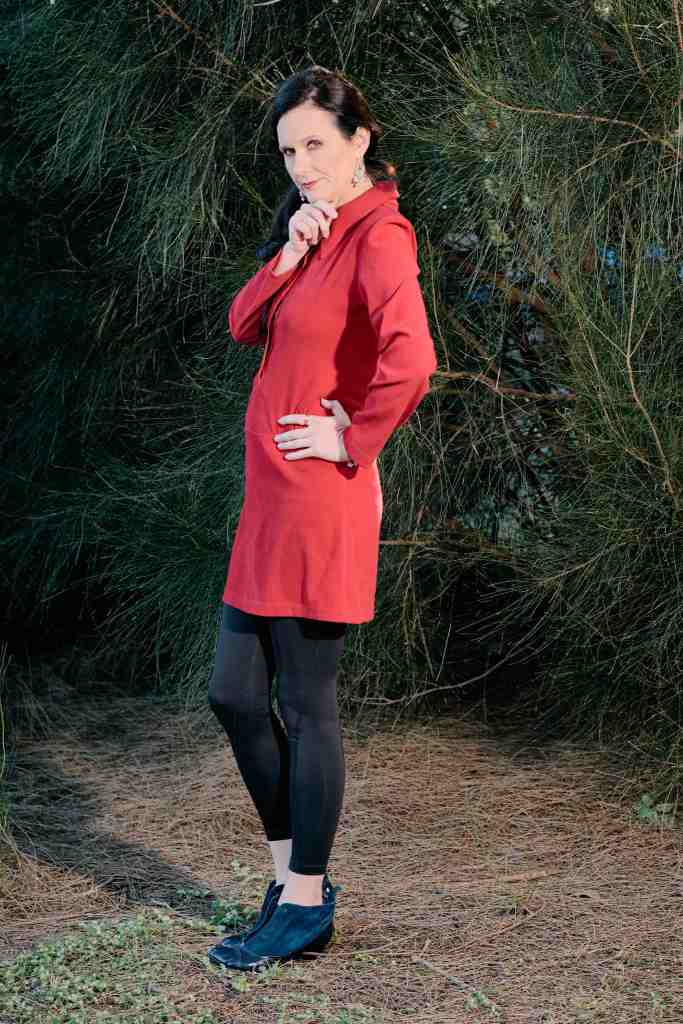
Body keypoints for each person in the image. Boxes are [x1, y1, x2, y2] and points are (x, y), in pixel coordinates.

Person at [207, 65, 438, 972]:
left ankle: (305, 902)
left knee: (304, 705)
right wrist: (289, 253)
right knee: (233, 695)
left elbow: (411, 359)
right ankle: (287, 882)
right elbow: (241, 325)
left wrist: (351, 435)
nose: (301, 165)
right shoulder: (317, 231)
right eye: (287, 151)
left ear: (358, 141)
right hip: (268, 499)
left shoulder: (379, 233)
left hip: (318, 498)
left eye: (315, 145)